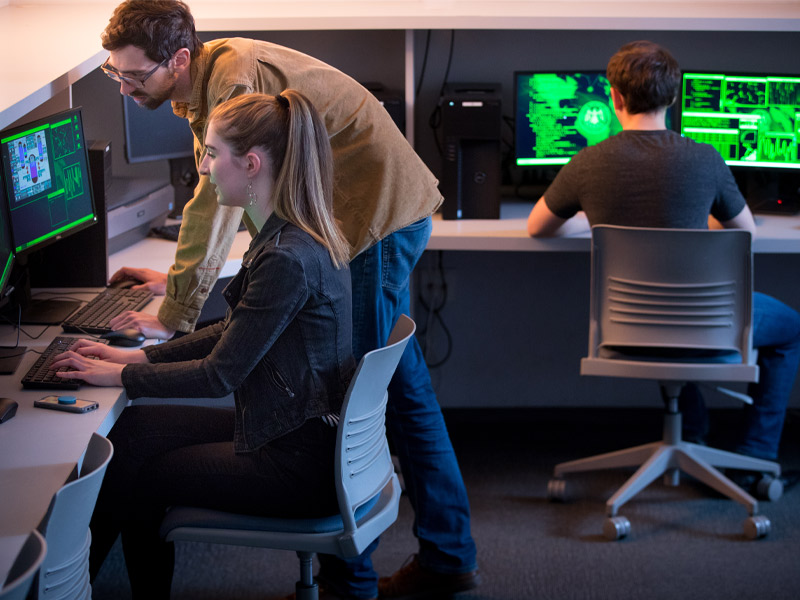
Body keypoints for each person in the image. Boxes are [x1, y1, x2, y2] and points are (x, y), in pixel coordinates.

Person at [97, 2, 479, 599]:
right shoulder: (209, 77)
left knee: (380, 390)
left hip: (374, 217)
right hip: (367, 215)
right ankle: (431, 556)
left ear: (177, 60)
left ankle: (361, 576)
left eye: (133, 76)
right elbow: (243, 196)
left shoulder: (232, 78)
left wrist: (173, 311)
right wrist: (172, 286)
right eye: (112, 74)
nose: (123, 88)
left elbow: (212, 201)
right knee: (391, 385)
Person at [51, 90, 354, 598]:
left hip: (295, 462)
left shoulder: (287, 257)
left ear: (251, 163)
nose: (205, 170)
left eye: (212, 154)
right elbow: (235, 334)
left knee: (144, 477)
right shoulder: (289, 232)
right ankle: (67, 584)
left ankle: (69, 585)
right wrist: (133, 356)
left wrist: (120, 376)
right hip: (287, 427)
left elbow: (220, 374)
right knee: (131, 434)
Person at [527, 40, 800, 464]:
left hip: (627, 327)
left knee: (660, 296)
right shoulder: (706, 159)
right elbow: (744, 233)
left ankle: (692, 431)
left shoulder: (586, 163)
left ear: (614, 97)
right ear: (673, 98)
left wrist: (592, 219)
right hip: (704, 324)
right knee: (790, 329)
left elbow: (537, 227)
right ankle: (757, 454)